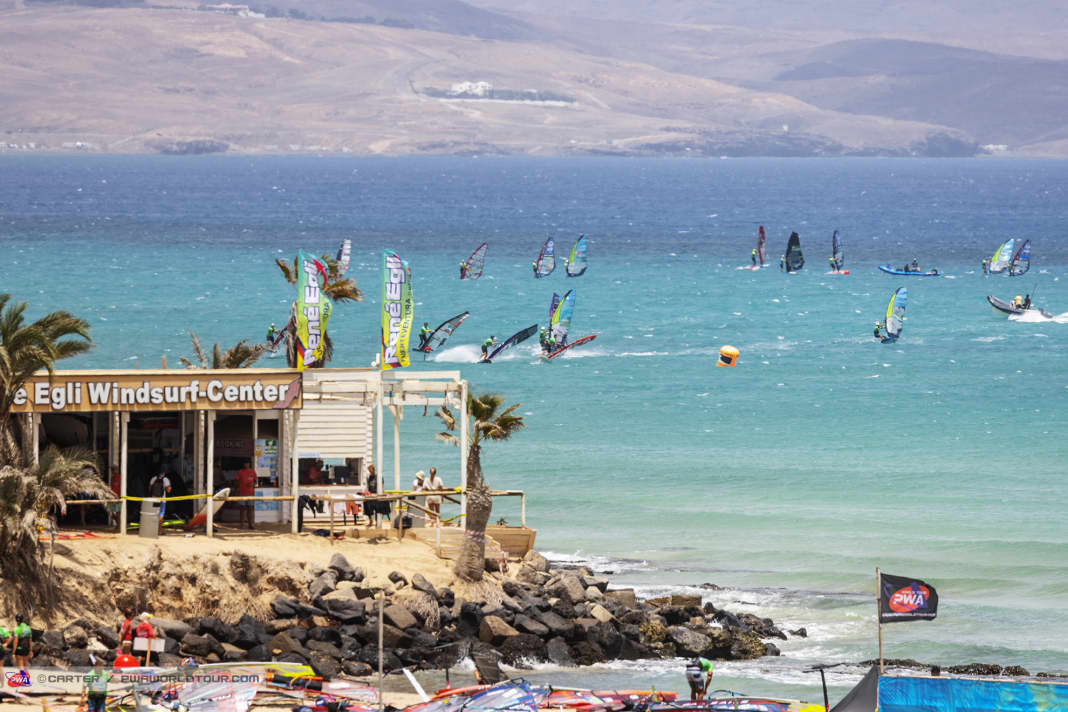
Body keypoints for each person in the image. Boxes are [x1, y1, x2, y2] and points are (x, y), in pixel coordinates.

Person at [234, 460, 257, 530]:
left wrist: (252, 484)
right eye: (245, 463)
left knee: (250, 509)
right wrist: (237, 489)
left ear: (249, 464)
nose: (246, 465)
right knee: (242, 509)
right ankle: (242, 525)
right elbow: (236, 481)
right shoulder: (240, 472)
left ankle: (250, 524)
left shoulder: (253, 472)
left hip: (250, 493)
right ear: (243, 464)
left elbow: (256, 481)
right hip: (242, 492)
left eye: (247, 463)